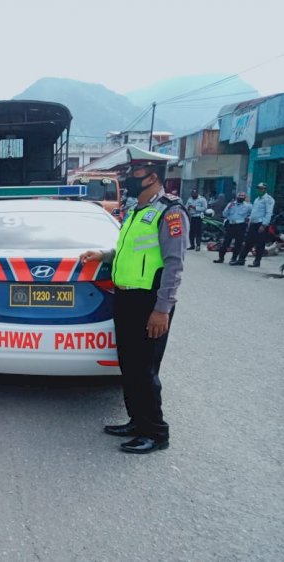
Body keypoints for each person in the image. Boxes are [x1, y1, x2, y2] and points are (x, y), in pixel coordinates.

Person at [80, 159, 188, 454]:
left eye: (134, 174)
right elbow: (126, 251)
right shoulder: (137, 211)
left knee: (145, 369)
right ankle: (136, 421)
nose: (128, 179)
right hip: (126, 298)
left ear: (152, 177)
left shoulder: (170, 212)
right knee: (129, 365)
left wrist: (162, 309)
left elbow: (174, 264)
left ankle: (156, 432)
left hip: (149, 302)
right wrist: (101, 255)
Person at [235, 182, 276, 267]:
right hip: (253, 223)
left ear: (265, 189)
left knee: (260, 244)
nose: (260, 190)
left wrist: (264, 225)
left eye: (261, 188)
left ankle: (257, 262)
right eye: (258, 188)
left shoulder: (268, 199)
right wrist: (249, 219)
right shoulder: (257, 199)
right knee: (248, 242)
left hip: (261, 224)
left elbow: (269, 213)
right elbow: (254, 212)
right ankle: (241, 260)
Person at [213, 191, 252, 264]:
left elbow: (252, 214)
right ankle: (221, 258)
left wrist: (248, 218)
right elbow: (224, 214)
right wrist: (229, 208)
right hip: (231, 225)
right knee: (225, 243)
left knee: (238, 243)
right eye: (240, 195)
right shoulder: (231, 204)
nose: (241, 197)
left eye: (243, 196)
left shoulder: (248, 206)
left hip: (241, 225)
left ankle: (233, 259)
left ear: (245, 197)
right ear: (237, 196)